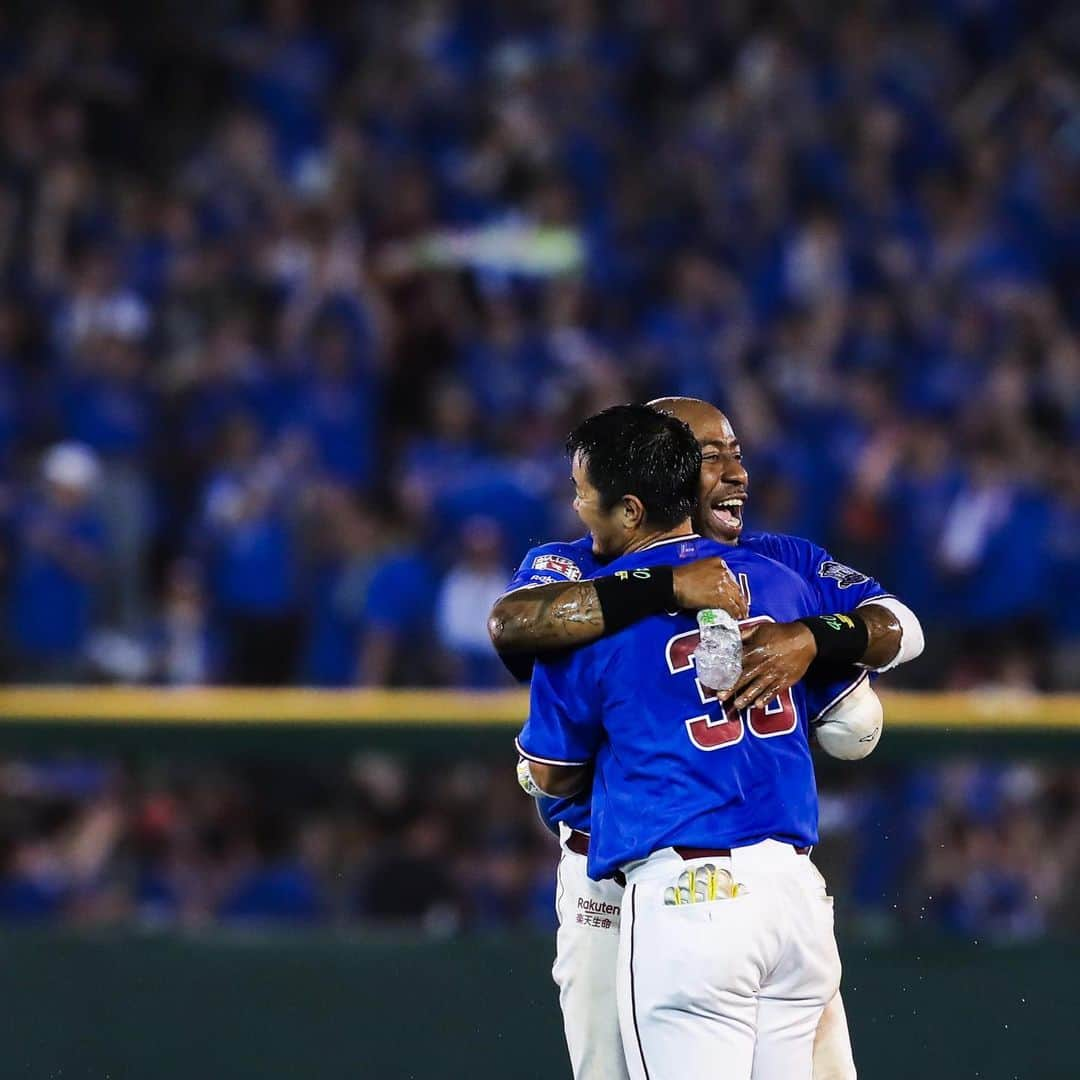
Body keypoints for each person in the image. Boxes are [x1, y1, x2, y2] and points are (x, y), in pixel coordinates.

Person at [489, 398, 923, 1080]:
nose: (733, 472)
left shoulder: (778, 562)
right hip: (664, 875)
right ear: (664, 474)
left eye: (736, 453)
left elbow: (901, 626)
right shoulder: (585, 561)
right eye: (708, 455)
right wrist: (667, 584)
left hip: (678, 876)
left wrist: (812, 640)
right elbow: (512, 623)